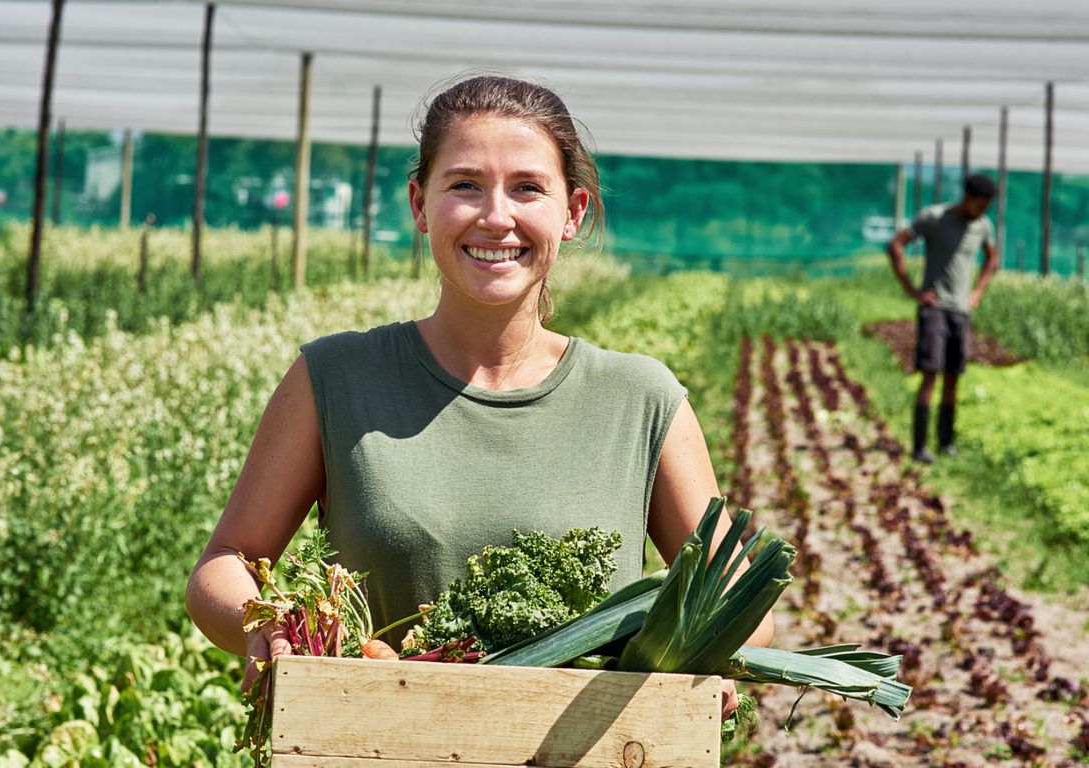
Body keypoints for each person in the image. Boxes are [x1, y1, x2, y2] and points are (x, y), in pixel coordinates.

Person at [185, 74, 773, 719]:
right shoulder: (334, 378)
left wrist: (703, 653)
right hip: (375, 744)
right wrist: (261, 629)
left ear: (572, 212)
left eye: (527, 188)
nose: (496, 217)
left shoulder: (640, 399)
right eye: (464, 185)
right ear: (419, 204)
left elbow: (737, 598)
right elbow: (225, 561)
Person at [886, 173, 999, 463]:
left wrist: (977, 293)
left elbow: (992, 259)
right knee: (930, 375)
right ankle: (920, 446)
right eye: (980, 205)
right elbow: (896, 244)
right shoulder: (934, 217)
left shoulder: (982, 226)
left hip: (960, 311)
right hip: (934, 308)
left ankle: (946, 443)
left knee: (953, 377)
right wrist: (911, 289)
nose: (982, 212)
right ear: (968, 198)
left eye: (987, 208)